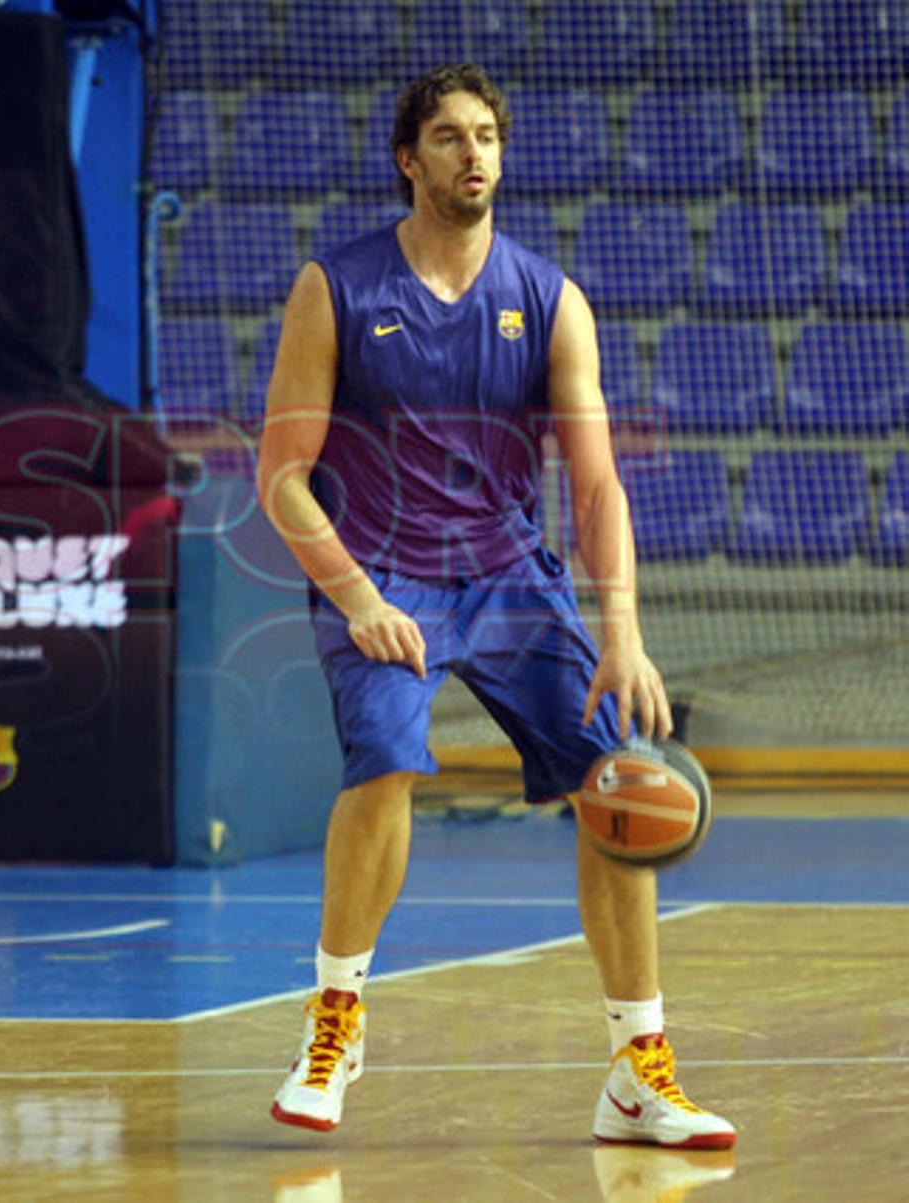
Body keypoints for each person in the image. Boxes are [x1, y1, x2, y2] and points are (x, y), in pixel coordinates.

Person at [255, 63, 736, 1150]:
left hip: (511, 576)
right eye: (449, 137)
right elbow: (282, 476)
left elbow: (598, 482)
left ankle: (637, 1071)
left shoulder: (550, 298)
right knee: (386, 761)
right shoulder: (335, 288)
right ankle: (335, 1025)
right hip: (383, 572)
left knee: (618, 778)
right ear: (407, 160)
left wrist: (623, 634)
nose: (474, 153)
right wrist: (357, 596)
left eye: (487, 136)